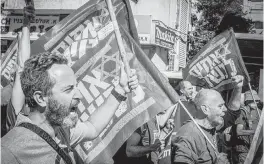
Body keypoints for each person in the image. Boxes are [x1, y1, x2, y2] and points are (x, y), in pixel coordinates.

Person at [1, 52, 139, 164]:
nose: (79, 95)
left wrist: (120, 89)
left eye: (76, 86)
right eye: (68, 89)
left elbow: (92, 128)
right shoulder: (9, 151)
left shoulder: (61, 131)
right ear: (41, 98)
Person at [172, 75, 244, 164]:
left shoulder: (212, 126)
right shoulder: (189, 135)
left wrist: (238, 89)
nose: (225, 109)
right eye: (220, 106)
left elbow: (232, 113)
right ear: (205, 109)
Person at [229, 90, 263, 164]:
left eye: (257, 100)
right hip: (243, 149)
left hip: (255, 148)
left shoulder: (259, 112)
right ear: (248, 101)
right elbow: (239, 131)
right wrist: (256, 132)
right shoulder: (242, 112)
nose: (257, 102)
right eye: (255, 100)